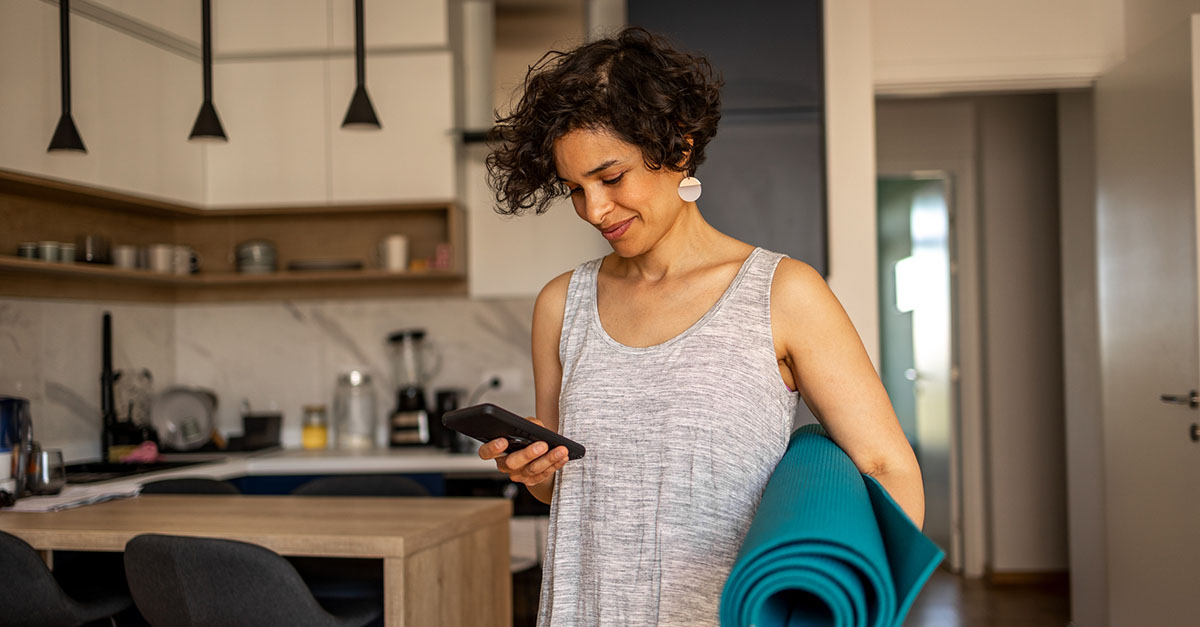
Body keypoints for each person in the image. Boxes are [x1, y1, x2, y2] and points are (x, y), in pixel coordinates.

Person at [481, 27, 924, 626]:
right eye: (575, 190)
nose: (595, 210)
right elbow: (559, 488)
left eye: (611, 178)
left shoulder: (784, 293)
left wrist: (865, 607)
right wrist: (531, 471)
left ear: (678, 150)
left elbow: (884, 467)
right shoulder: (562, 304)